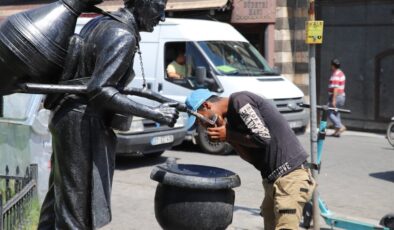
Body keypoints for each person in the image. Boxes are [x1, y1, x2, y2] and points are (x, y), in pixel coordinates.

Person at [38, 0, 179, 229]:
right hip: (83, 124)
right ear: (140, 4)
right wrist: (154, 113)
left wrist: (162, 101)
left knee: (60, 198)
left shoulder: (99, 23)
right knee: (77, 210)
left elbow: (93, 80)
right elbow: (100, 89)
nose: (162, 17)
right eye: (159, 8)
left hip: (68, 117)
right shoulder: (123, 36)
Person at [185, 89, 316, 230]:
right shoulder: (232, 120)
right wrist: (226, 133)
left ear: (206, 105)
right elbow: (251, 158)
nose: (201, 125)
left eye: (200, 118)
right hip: (273, 180)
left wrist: (228, 134)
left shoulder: (240, 100)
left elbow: (263, 138)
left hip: (291, 176)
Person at [328, 58, 346, 137]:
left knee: (328, 111)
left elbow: (335, 88)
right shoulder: (341, 73)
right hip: (341, 96)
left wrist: (334, 100)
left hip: (337, 96)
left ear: (333, 66)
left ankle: (340, 126)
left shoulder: (336, 75)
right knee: (336, 112)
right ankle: (337, 131)